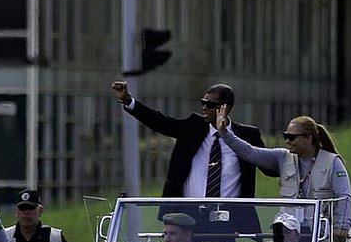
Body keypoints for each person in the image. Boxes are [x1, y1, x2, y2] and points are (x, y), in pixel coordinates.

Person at [216, 109, 351, 242]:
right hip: (289, 235)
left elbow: (344, 196)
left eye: (292, 137)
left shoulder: (332, 162)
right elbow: (250, 152)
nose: (287, 141)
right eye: (285, 136)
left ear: (308, 138)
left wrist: (342, 227)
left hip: (319, 236)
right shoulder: (282, 157)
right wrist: (225, 134)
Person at [111, 81, 265, 198]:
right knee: (176, 232)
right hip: (188, 215)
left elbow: (270, 167)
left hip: (231, 217)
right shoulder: (192, 127)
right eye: (203, 103)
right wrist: (128, 101)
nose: (204, 108)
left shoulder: (247, 136)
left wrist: (281, 156)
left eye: (210, 104)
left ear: (226, 108)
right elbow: (160, 122)